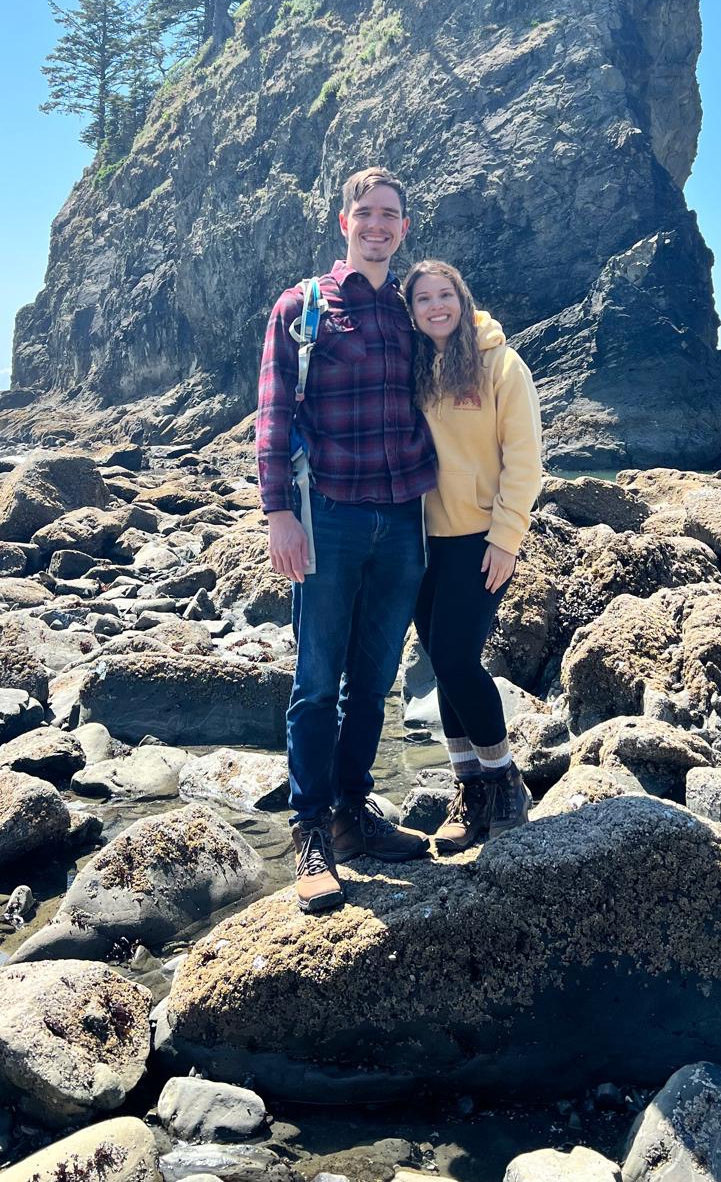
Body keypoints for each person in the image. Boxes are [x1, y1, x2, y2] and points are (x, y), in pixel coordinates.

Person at [257, 165, 435, 914]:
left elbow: (463, 385)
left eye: (390, 215)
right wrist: (278, 513)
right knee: (315, 682)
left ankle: (355, 811)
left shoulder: (409, 310)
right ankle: (310, 832)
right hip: (326, 514)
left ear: (403, 227)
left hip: (400, 520)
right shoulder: (304, 307)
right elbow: (272, 416)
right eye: (365, 213)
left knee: (376, 680)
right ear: (343, 222)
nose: (378, 225)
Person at [402, 259, 542, 851]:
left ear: (462, 298)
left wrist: (506, 538)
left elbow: (526, 458)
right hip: (418, 542)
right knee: (442, 664)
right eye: (423, 299)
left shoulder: (500, 364)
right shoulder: (413, 369)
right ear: (411, 312)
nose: (436, 307)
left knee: (457, 660)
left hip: (480, 541)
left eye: (445, 295)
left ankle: (504, 776)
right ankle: (471, 791)